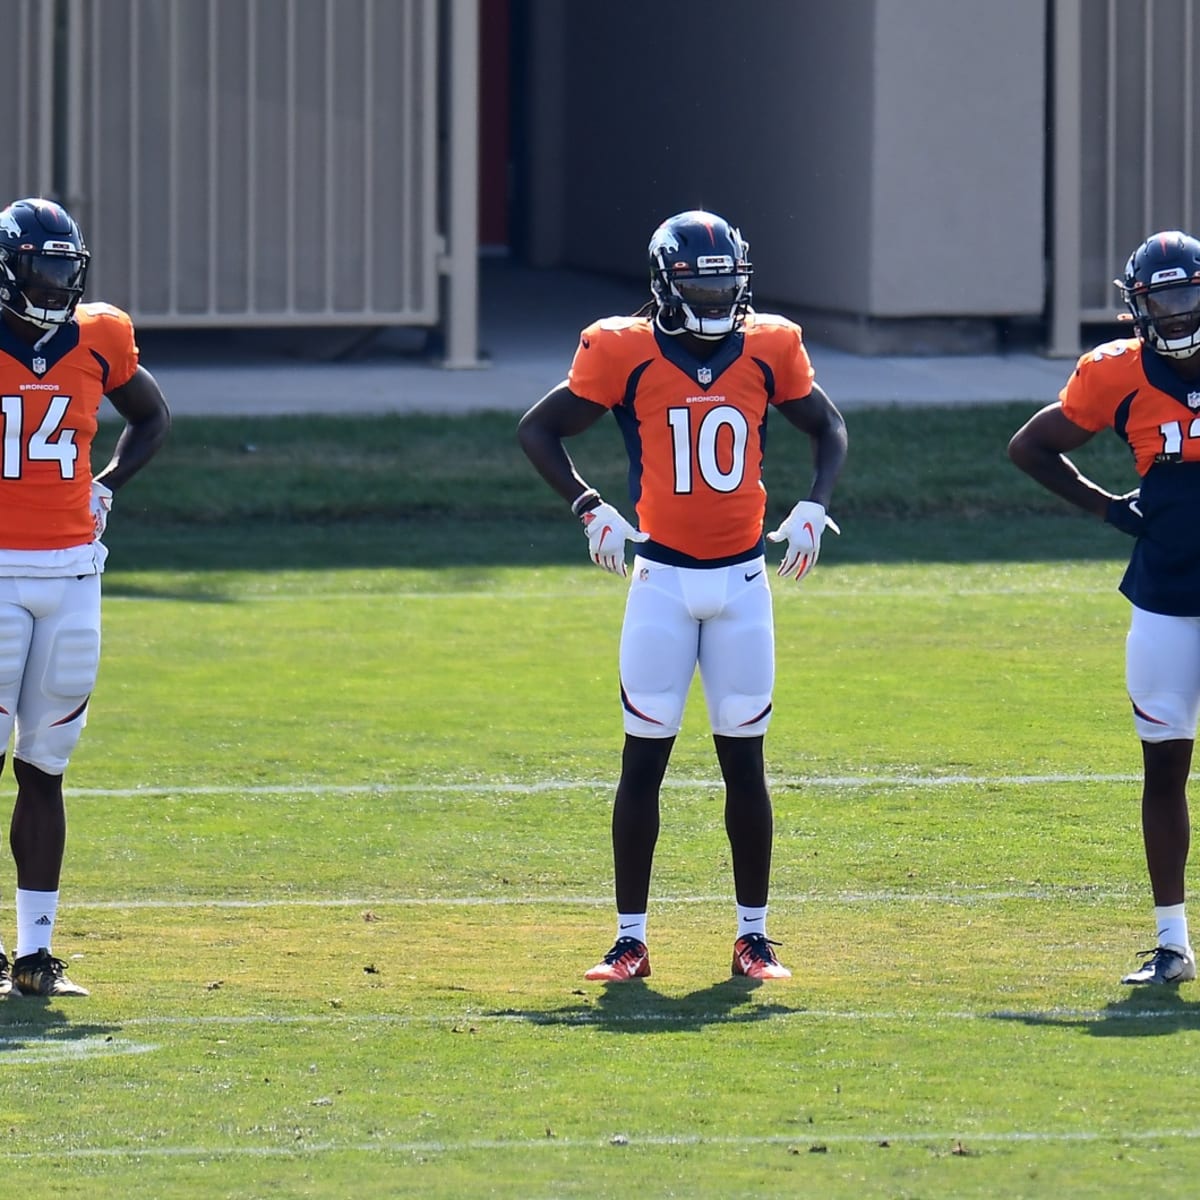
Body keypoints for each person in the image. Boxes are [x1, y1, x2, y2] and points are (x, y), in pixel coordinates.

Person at [517, 209, 847, 982]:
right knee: (643, 762)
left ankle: (753, 938)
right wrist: (588, 503)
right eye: (700, 281)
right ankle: (629, 940)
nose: (717, 294)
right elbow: (540, 428)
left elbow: (827, 427)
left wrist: (816, 502)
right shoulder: (623, 350)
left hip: (742, 583)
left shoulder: (771, 345)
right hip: (661, 582)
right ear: (665, 285)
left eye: (727, 280)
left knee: (745, 765)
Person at [1009, 229, 1200, 987]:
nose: (1180, 314)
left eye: (1189, 294)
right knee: (1164, 770)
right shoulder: (1116, 373)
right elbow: (1031, 446)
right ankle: (1174, 941)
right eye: (1166, 300)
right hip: (1163, 593)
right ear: (1138, 309)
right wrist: (1104, 509)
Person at [0, 197, 170, 997]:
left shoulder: (101, 334)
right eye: (40, 267)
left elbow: (150, 415)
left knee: (47, 763)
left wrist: (108, 486)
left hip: (71, 575)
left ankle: (35, 955)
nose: (54, 283)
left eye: (65, 269)